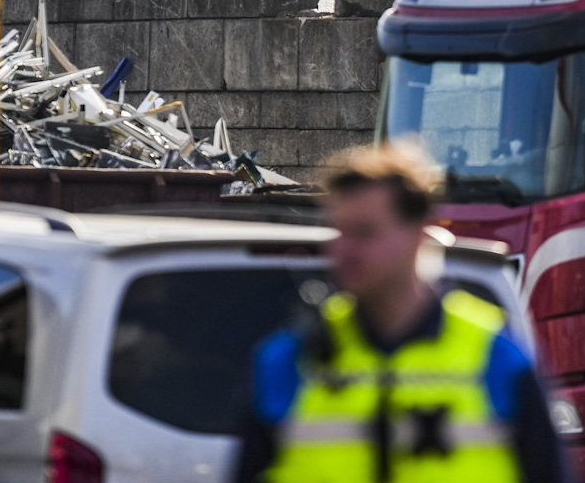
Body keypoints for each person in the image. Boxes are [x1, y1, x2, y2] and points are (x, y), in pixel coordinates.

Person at [233, 142, 568, 483]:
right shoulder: (288, 361)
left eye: (365, 232)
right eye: (340, 231)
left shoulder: (497, 360)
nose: (343, 250)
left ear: (418, 235)